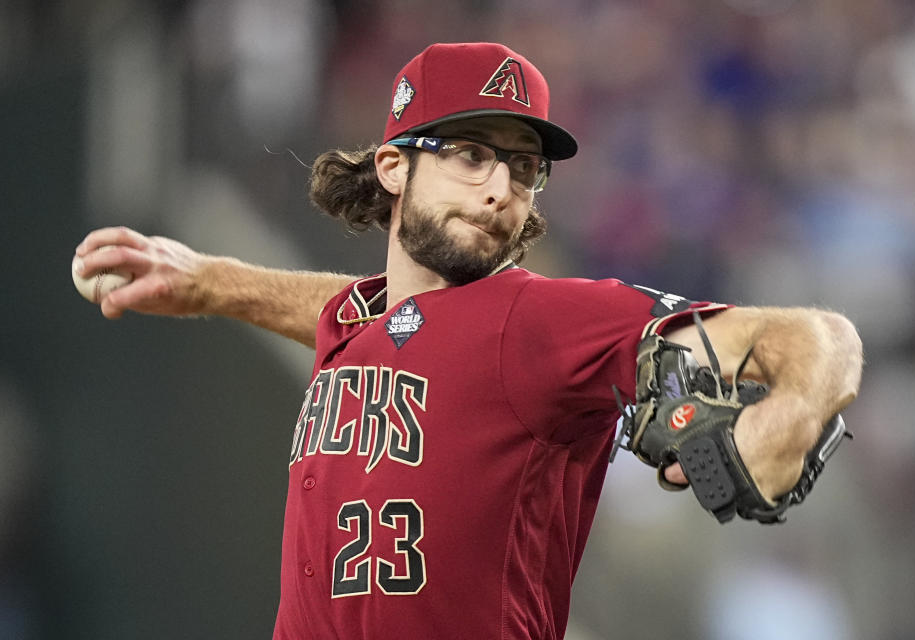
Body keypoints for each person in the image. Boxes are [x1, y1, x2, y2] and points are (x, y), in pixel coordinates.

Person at [73, 42, 863, 640]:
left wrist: (788, 414)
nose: (499, 188)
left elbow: (815, 335)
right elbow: (355, 310)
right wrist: (213, 283)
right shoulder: (359, 321)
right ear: (392, 167)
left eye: (523, 169)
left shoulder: (541, 322)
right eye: (470, 154)